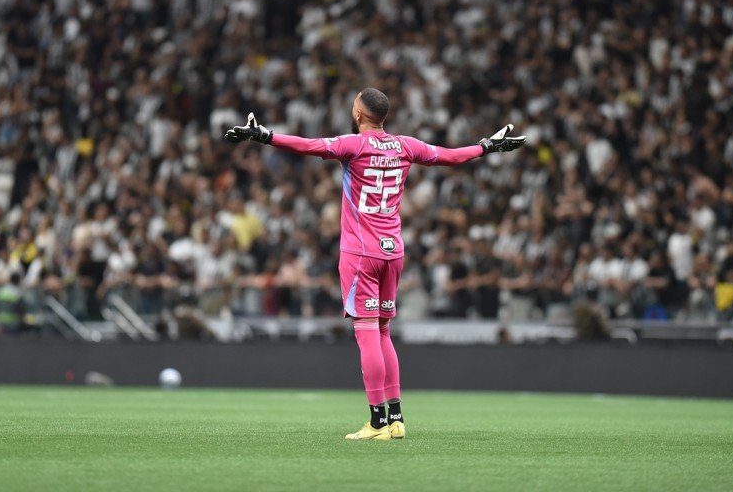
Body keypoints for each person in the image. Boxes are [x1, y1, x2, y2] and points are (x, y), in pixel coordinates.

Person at [224, 87, 526, 440]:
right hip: (393, 251)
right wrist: (488, 146)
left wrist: (264, 135)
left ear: (359, 114)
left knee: (366, 332)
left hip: (360, 253)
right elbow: (451, 157)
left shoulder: (354, 145)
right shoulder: (405, 146)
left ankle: (377, 421)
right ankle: (396, 418)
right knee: (383, 332)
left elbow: (309, 146)